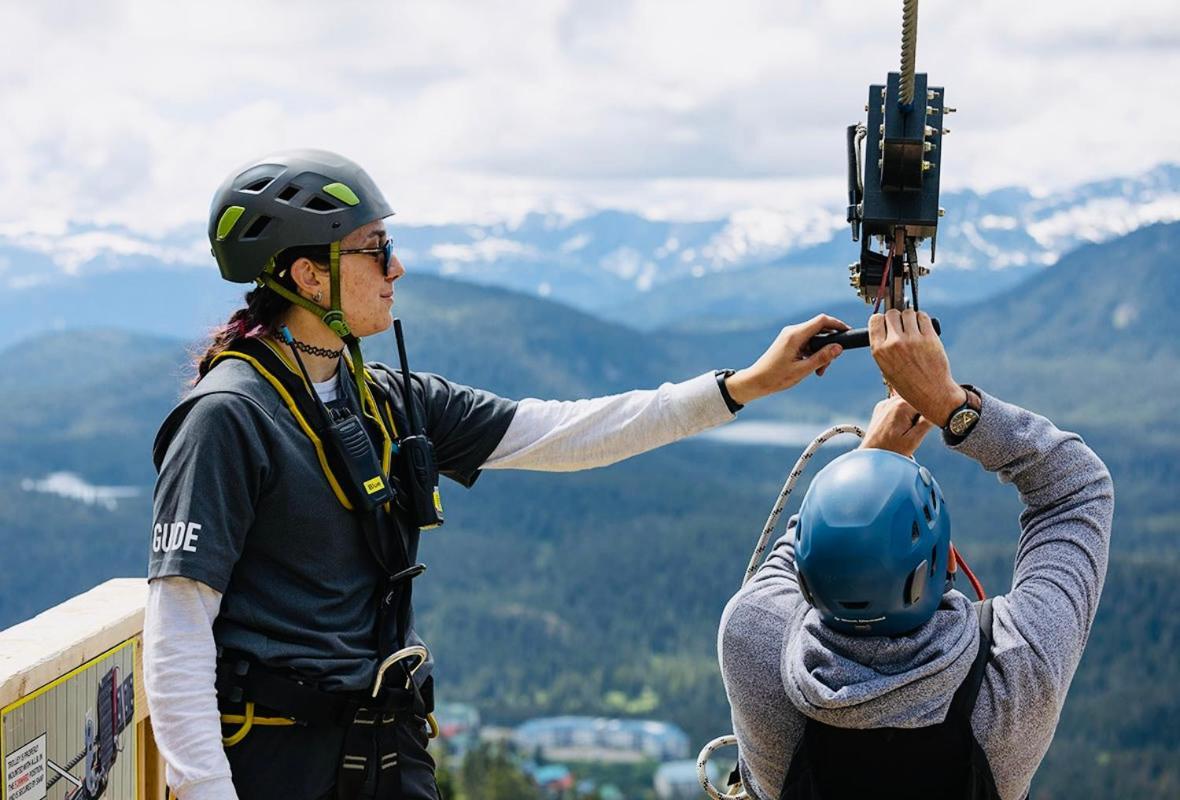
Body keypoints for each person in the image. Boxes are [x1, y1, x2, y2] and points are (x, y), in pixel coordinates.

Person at [144, 149, 848, 800]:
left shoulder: (386, 399)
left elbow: (565, 433)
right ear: (308, 275)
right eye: (375, 249)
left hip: (384, 751)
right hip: (280, 765)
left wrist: (744, 386)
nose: (397, 269)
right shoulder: (228, 418)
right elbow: (177, 630)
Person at [717, 308, 1114, 800]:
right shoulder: (1013, 677)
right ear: (949, 562)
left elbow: (793, 558)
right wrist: (952, 405)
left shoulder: (753, 635)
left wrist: (870, 459)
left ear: (806, 578)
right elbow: (1076, 488)